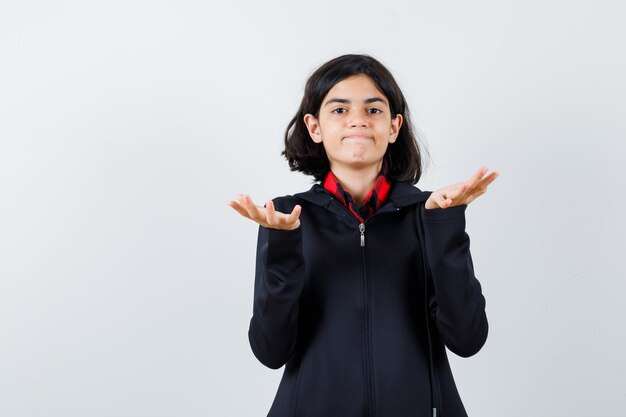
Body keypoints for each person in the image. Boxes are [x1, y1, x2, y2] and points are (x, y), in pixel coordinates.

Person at [227, 54, 498, 417]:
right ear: (314, 127)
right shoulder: (286, 217)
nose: (357, 120)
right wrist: (283, 246)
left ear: (394, 126)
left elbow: (468, 339)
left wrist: (444, 225)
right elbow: (270, 350)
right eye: (339, 110)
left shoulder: (430, 213)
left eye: (373, 110)